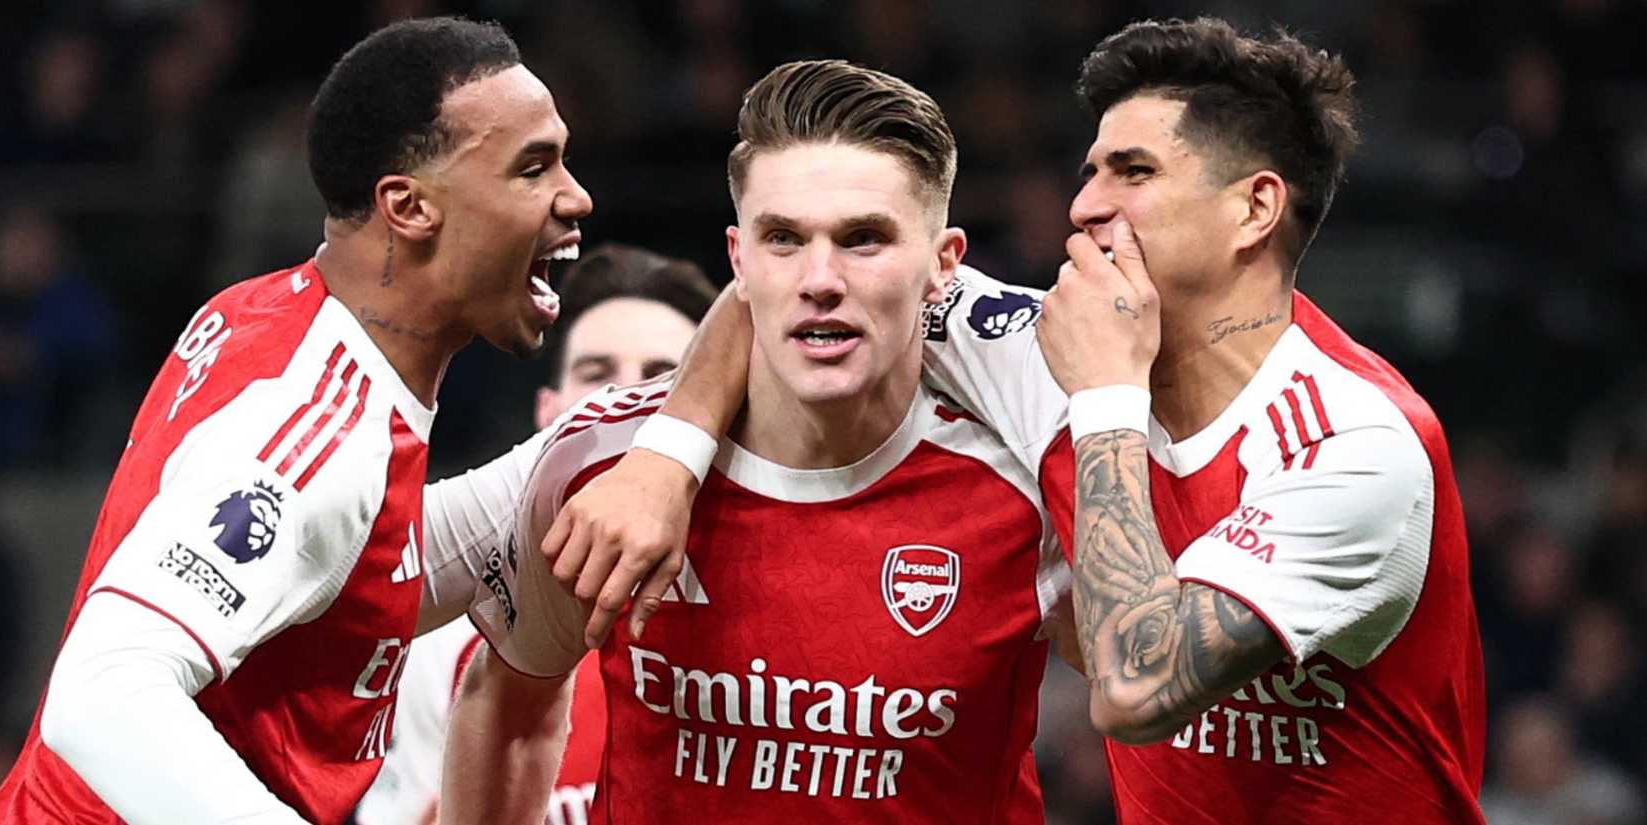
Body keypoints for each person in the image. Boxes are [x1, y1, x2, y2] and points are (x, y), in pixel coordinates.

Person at [561, 16, 1486, 825]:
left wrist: (1106, 398)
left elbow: (1137, 682)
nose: (1085, 205)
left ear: (1255, 207)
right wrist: (664, 460)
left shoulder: (1354, 446)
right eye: (1090, 172)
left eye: (1134, 172)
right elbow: (790, 290)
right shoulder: (1042, 343)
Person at [0, 17, 609, 825]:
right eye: (533, 168)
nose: (575, 195)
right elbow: (103, 692)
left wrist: (630, 436)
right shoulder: (314, 424)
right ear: (409, 206)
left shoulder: (273, 316)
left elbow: (349, 569)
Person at [443, 60, 1073, 824]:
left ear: (945, 265)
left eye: (863, 239)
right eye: (783, 238)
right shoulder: (605, 467)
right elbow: (508, 704)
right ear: (740, 259)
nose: (820, 278)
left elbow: (1147, 697)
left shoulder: (1025, 487)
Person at [354, 243, 718, 825]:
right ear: (550, 413)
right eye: (596, 375)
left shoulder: (770, 605)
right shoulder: (447, 635)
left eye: (659, 381)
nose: (625, 402)